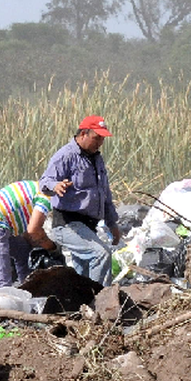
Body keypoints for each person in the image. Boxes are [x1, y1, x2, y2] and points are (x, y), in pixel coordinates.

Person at [39, 115, 123, 285]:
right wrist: (56, 186)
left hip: (88, 227)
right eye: (96, 138)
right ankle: (98, 301)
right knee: (100, 254)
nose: (100, 143)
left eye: (102, 139)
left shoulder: (96, 159)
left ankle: (79, 306)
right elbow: (45, 182)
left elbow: (104, 194)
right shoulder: (65, 156)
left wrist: (112, 224)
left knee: (82, 275)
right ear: (83, 134)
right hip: (68, 224)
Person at [0, 181, 58, 289]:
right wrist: (52, 248)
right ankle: (0, 302)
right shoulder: (46, 196)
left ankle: (28, 287)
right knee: (1, 279)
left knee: (23, 250)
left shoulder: (37, 187)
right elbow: (33, 230)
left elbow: (28, 234)